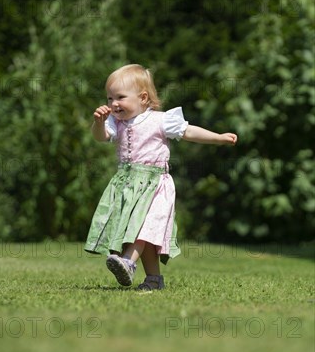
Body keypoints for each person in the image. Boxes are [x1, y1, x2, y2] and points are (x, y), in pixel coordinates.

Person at [85, 64, 237, 291]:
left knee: (145, 226)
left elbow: (188, 131)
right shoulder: (115, 123)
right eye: (109, 98)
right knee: (141, 231)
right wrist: (98, 123)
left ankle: (128, 262)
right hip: (127, 184)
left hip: (155, 184)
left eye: (120, 97)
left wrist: (218, 138)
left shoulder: (161, 120)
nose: (113, 103)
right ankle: (154, 280)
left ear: (143, 98)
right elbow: (101, 137)